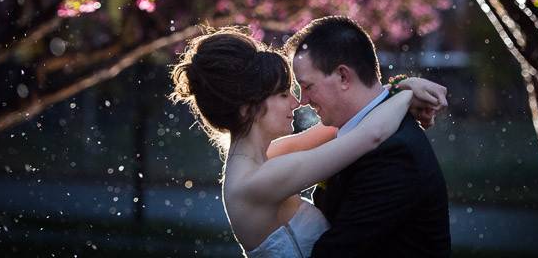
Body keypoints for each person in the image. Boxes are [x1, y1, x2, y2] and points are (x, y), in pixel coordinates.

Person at [169, 25, 447, 257]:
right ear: (247, 109)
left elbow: (349, 125)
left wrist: (399, 87)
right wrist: (406, 94)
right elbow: (368, 135)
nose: (297, 101)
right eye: (282, 94)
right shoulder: (258, 180)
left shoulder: (268, 156)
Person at [286, 16, 451, 257]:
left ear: (343, 76)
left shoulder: (393, 154)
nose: (304, 101)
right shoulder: (358, 131)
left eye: (308, 86)